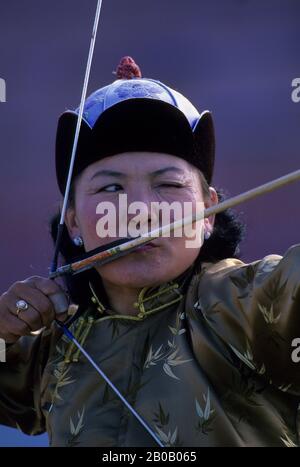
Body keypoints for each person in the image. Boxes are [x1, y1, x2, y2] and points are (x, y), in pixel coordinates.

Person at [0, 57, 300, 447]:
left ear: (208, 213)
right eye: (111, 189)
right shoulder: (53, 346)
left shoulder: (244, 303)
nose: (139, 210)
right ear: (72, 223)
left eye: (169, 185)